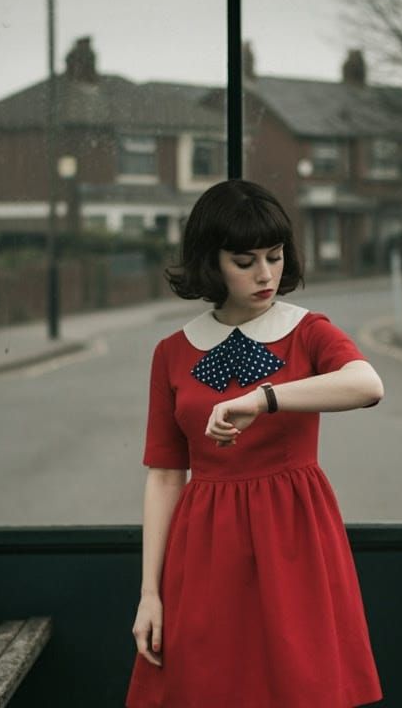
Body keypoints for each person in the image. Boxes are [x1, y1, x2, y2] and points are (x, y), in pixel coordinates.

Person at [126, 179, 384, 707]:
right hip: (205, 545)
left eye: (274, 255)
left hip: (293, 539)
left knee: (299, 688)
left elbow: (367, 385)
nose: (266, 274)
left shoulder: (308, 331)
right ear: (210, 262)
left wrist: (263, 399)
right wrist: (149, 594)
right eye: (244, 260)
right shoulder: (173, 352)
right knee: (209, 688)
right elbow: (166, 475)